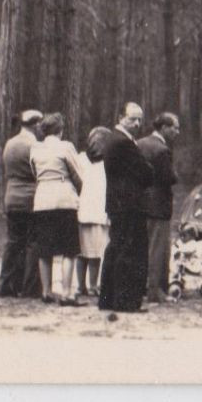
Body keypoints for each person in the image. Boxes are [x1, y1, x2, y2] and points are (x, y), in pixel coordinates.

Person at [97, 102, 155, 313]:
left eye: (140, 119)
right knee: (129, 252)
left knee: (116, 249)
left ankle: (108, 299)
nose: (137, 123)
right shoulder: (124, 143)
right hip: (129, 204)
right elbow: (147, 174)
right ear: (120, 117)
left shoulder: (115, 139)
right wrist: (148, 169)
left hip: (119, 203)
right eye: (132, 119)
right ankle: (125, 301)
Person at [30, 112, 84, 305]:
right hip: (63, 198)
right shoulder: (66, 147)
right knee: (69, 249)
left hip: (42, 198)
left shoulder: (35, 149)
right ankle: (67, 292)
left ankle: (46, 291)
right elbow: (78, 173)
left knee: (45, 248)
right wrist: (78, 189)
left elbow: (34, 172)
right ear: (60, 130)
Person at [0, 110, 43, 299]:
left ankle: (6, 285)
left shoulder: (10, 143)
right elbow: (37, 172)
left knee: (13, 242)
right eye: (40, 124)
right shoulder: (35, 145)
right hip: (30, 198)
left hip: (12, 196)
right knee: (32, 242)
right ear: (35, 125)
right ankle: (30, 287)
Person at [138, 112, 180, 303]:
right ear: (163, 128)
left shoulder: (140, 144)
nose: (177, 132)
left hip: (141, 202)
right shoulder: (162, 150)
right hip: (159, 204)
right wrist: (175, 175)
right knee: (158, 249)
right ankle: (156, 290)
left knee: (143, 247)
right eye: (175, 127)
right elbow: (169, 178)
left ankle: (142, 287)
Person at [75, 127, 111, 300]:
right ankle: (87, 285)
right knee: (89, 252)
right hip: (91, 210)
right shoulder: (84, 159)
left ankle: (87, 285)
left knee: (89, 252)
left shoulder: (84, 160)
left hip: (90, 210)